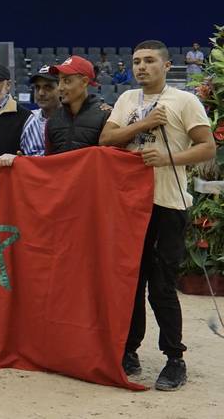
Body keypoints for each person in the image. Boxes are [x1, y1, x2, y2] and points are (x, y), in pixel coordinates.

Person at [99, 40, 214, 391]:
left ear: (166, 66)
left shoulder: (185, 101)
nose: (141, 67)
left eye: (149, 61)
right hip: (129, 206)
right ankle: (129, 351)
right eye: (136, 61)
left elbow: (207, 147)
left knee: (161, 285)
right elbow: (107, 138)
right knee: (130, 283)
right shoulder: (126, 100)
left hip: (168, 203)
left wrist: (168, 159)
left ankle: (174, 358)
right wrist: (143, 123)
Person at [0, 65, 61, 166]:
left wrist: (23, 159)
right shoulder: (26, 119)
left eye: (48, 87)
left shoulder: (73, 119)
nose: (41, 93)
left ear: (60, 89)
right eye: (37, 87)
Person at [45, 56, 108, 154]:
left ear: (84, 82)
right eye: (59, 81)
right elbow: (48, 163)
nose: (59, 88)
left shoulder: (105, 116)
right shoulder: (52, 120)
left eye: (66, 81)